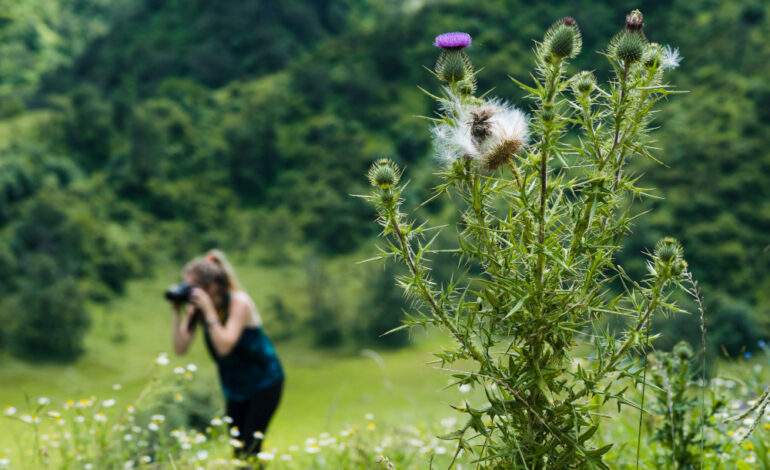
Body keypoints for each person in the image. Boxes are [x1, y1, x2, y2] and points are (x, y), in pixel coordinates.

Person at [168, 249, 284, 457]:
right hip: (234, 386)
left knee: (250, 447)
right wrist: (177, 312)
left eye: (193, 288)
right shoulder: (197, 309)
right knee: (239, 450)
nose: (190, 293)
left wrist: (208, 310)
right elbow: (180, 348)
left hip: (264, 381)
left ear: (211, 287)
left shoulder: (239, 302)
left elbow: (224, 346)